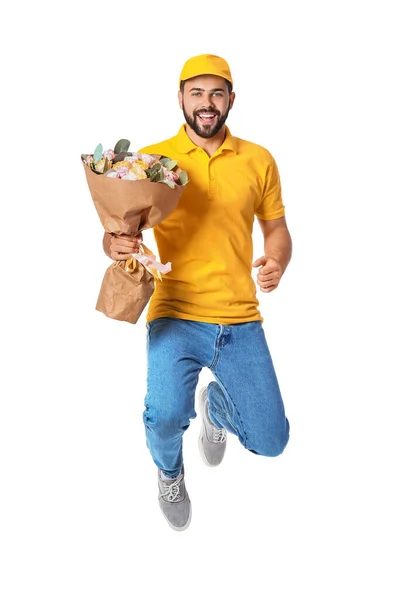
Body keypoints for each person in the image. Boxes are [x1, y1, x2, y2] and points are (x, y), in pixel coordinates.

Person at [103, 54, 292, 532]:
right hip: (175, 312)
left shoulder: (258, 159)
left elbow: (277, 231)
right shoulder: (153, 160)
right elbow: (115, 234)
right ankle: (169, 472)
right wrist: (117, 242)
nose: (207, 104)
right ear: (181, 98)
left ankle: (217, 409)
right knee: (165, 417)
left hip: (239, 318)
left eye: (216, 93)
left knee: (272, 441)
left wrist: (277, 261)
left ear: (230, 99)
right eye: (197, 93)